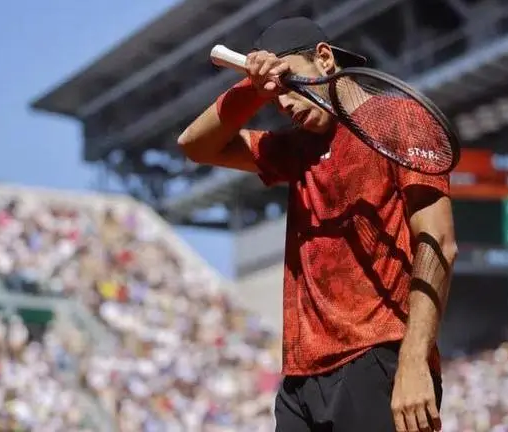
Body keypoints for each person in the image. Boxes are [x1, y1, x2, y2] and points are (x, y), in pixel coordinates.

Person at [178, 16, 457, 432]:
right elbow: (195, 145)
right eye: (276, 99)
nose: (285, 106)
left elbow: (438, 243)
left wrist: (414, 361)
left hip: (379, 359)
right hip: (301, 379)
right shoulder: (297, 148)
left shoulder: (400, 118)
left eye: (290, 85)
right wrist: (253, 86)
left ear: (324, 59)